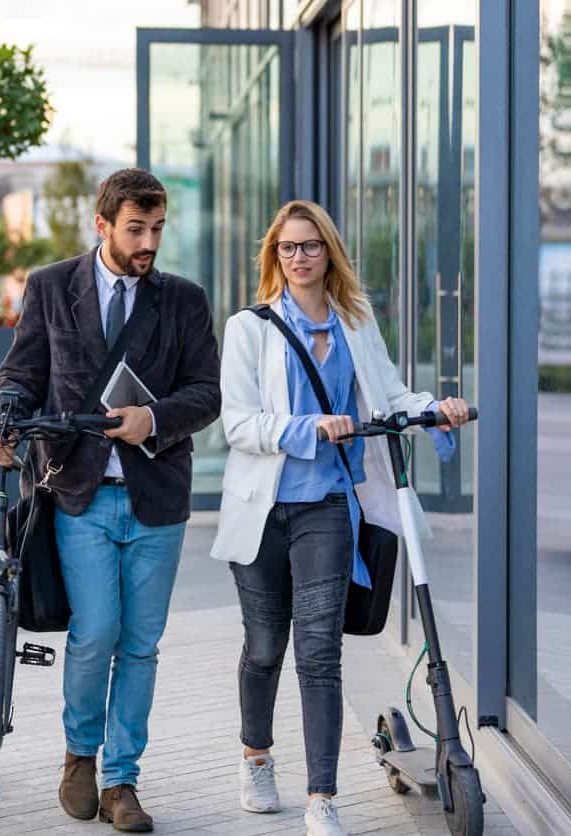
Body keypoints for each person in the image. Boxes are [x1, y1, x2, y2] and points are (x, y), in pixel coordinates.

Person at [210, 200, 470, 836]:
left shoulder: (356, 319)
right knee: (266, 647)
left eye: (312, 246)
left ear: (330, 252)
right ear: (275, 256)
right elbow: (237, 424)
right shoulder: (251, 327)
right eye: (289, 247)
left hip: (328, 506)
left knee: (319, 655)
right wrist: (308, 427)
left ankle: (322, 799)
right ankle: (256, 755)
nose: (300, 257)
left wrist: (435, 407)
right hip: (263, 511)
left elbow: (387, 392)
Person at [0, 168, 220, 832]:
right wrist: (6, 420)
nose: (149, 244)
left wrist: (156, 418)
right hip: (78, 492)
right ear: (103, 224)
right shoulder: (52, 287)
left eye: (157, 230)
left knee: (141, 645)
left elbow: (208, 392)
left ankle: (121, 781)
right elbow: (22, 372)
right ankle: (79, 755)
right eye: (136, 230)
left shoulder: (183, 301)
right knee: (95, 635)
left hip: (157, 495)